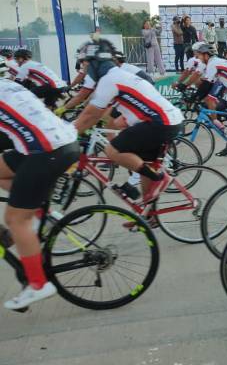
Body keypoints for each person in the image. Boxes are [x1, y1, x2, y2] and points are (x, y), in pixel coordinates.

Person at [73, 40, 183, 208]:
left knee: (112, 150)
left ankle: (160, 179)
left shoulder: (109, 79)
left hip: (159, 122)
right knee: (145, 165)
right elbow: (98, 113)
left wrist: (67, 134)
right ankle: (148, 214)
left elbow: (90, 115)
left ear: (95, 63)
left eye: (85, 63)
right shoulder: (119, 75)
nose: (84, 68)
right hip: (168, 121)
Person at [0, 79, 79, 310]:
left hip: (46, 150)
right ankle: (35, 213)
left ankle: (38, 284)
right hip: (55, 142)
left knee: (15, 219)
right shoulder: (7, 83)